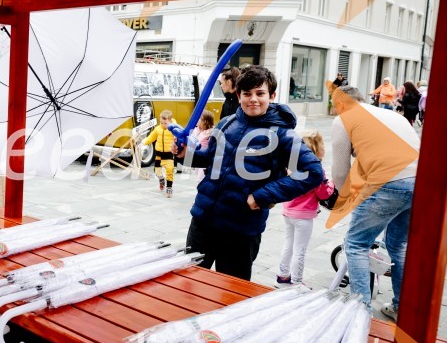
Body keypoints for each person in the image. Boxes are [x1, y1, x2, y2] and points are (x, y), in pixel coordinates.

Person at [173, 66, 323, 281]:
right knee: (188, 285)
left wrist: (263, 196)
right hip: (202, 222)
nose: (253, 99)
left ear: (271, 96)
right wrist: (185, 154)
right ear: (238, 95)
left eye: (260, 93)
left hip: (240, 231)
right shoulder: (226, 123)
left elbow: (312, 172)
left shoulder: (282, 134)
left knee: (231, 294)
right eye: (247, 93)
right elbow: (209, 159)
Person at [331, 86, 418, 321]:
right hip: (418, 181)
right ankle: (401, 307)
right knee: (398, 245)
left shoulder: (344, 119)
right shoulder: (392, 115)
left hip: (387, 182)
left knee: (356, 244)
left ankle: (360, 313)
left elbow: (340, 173)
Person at [276, 130, 335, 287]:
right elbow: (323, 193)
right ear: (316, 149)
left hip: (288, 212)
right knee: (300, 249)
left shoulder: (290, 166)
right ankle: (296, 282)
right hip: (303, 216)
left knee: (288, 244)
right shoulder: (315, 170)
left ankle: (282, 275)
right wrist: (331, 183)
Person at [142, 110, 179, 197]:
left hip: (169, 154)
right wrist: (144, 142)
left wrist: (176, 139)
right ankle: (161, 179)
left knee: (169, 170)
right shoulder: (157, 129)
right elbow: (151, 137)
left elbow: (178, 137)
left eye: (165, 123)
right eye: (161, 123)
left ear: (170, 120)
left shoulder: (174, 129)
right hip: (158, 154)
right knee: (157, 171)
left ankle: (169, 188)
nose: (163, 125)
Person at [190, 110, 214, 181]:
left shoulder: (209, 132)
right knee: (197, 172)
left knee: (201, 176)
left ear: (205, 121)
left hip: (205, 157)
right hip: (197, 156)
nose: (196, 120)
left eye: (199, 118)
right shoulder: (196, 130)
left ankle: (201, 185)